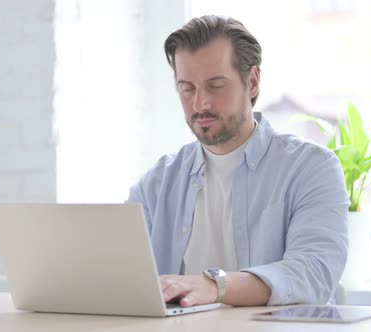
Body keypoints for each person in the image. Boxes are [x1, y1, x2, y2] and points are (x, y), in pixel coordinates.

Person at [128, 15, 349, 307]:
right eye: (187, 88)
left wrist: (215, 285)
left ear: (253, 81)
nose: (200, 104)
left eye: (215, 85)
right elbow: (122, 275)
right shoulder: (158, 182)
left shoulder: (311, 168)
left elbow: (313, 273)